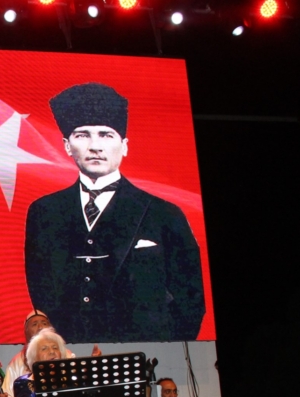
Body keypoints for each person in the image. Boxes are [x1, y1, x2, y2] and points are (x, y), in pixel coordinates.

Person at [24, 82, 206, 343]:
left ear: (125, 145)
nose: (95, 146)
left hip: (144, 350)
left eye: (106, 135)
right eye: (82, 135)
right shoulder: (44, 212)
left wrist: (165, 345)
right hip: (70, 352)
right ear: (67, 145)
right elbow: (40, 290)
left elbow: (190, 298)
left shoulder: (164, 214)